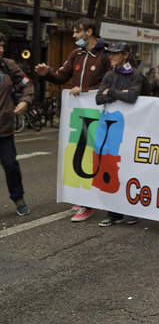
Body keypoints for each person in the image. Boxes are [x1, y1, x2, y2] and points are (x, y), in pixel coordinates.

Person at [35, 17, 110, 223]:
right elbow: (61, 76)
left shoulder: (105, 55)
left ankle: (91, 202)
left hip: (99, 114)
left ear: (89, 31)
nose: (74, 36)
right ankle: (83, 198)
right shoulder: (76, 54)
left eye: (77, 32)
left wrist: (85, 91)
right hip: (78, 114)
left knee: (95, 156)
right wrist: (47, 73)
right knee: (78, 155)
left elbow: (109, 83)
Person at [95, 42, 144, 227]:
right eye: (110, 54)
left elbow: (132, 97)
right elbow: (99, 98)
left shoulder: (136, 75)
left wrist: (112, 92)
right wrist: (119, 94)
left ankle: (131, 210)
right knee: (110, 167)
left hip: (130, 128)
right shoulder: (109, 75)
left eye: (115, 54)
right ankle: (113, 213)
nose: (111, 57)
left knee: (128, 168)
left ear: (125, 55)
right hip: (111, 127)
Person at [0, 33, 34, 216]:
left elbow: (26, 84)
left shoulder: (8, 65)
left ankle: (18, 197)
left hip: (4, 130)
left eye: (2, 46)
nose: (1, 49)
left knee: (10, 165)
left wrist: (26, 101)